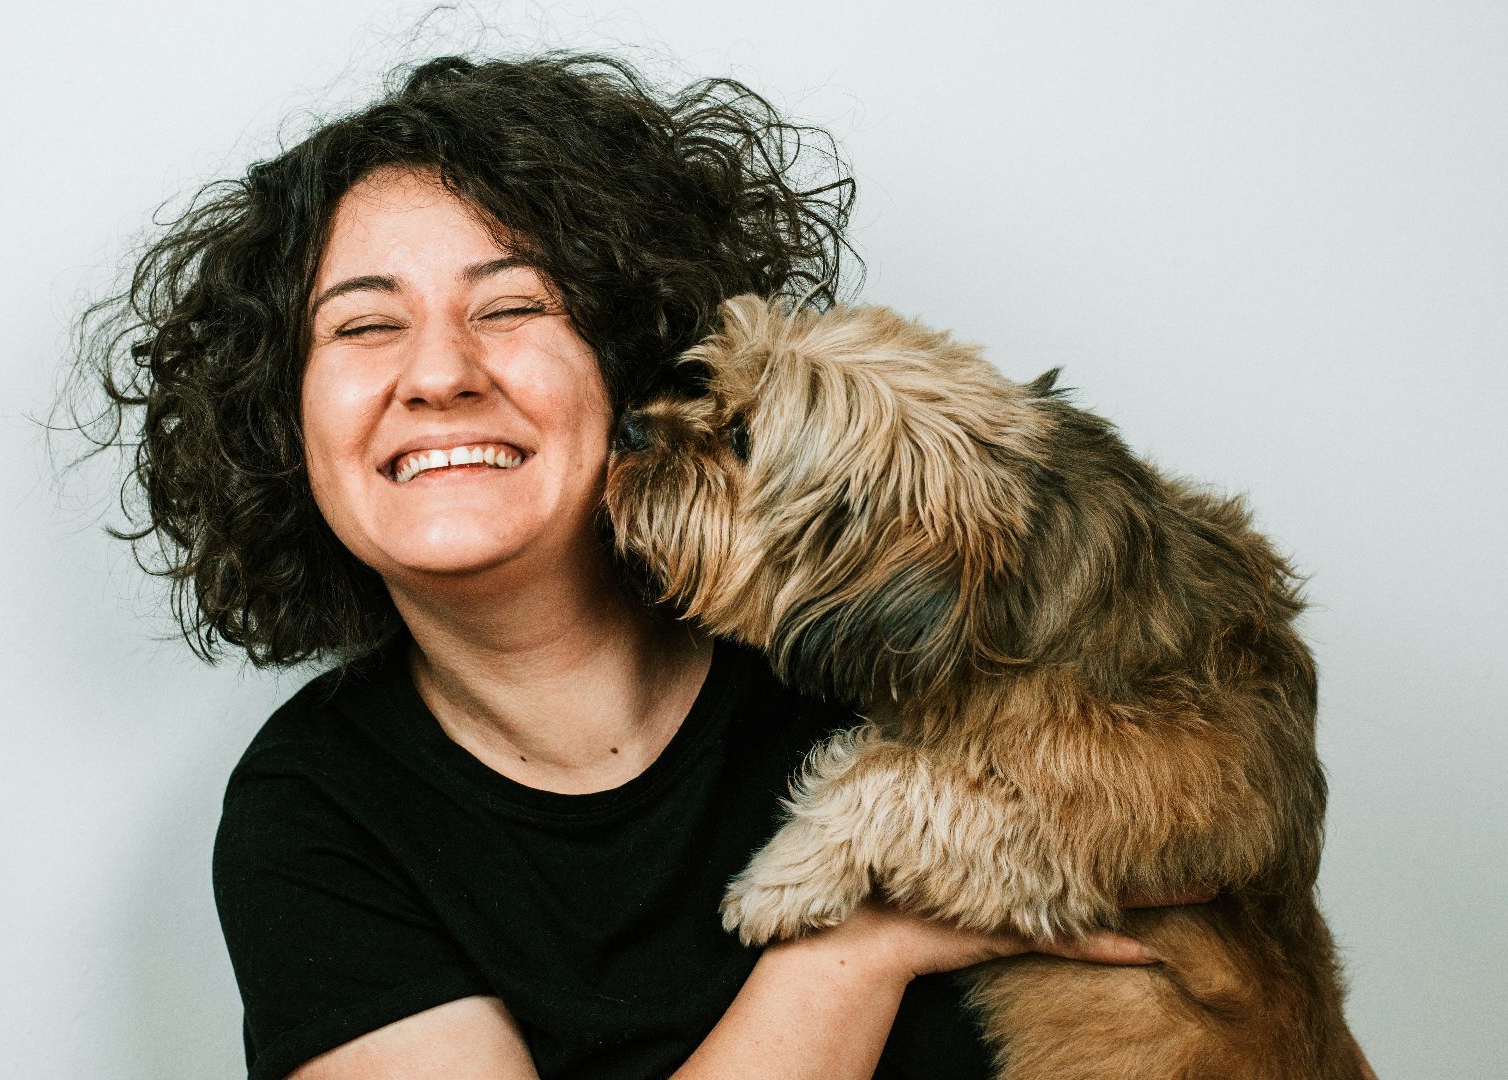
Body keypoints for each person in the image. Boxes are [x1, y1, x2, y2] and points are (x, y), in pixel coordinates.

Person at [75, 52, 1200, 1080]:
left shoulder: (881, 631)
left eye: (512, 306)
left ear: (628, 361)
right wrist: (858, 947)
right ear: (283, 424)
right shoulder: (311, 819)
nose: (439, 374)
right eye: (364, 327)